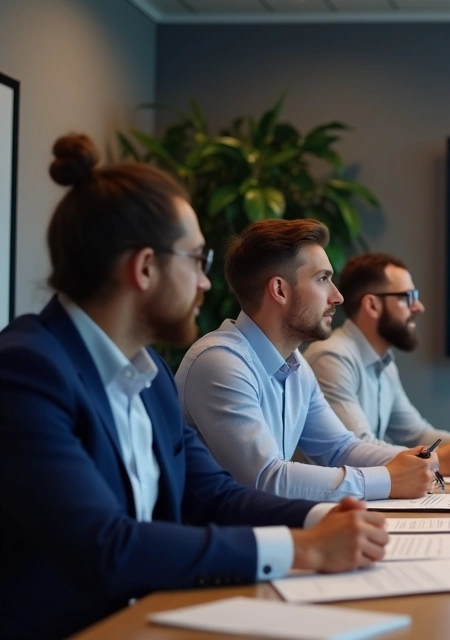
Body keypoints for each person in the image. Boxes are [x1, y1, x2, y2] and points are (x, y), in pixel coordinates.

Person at [0, 135, 390, 637]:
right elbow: (106, 546)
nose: (207, 284)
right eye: (196, 261)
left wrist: (324, 519)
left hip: (148, 618)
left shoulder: (151, 374)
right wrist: (303, 548)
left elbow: (213, 497)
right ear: (144, 268)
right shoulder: (27, 371)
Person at [176, 219, 450, 502]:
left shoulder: (295, 366)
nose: (338, 296)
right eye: (323, 279)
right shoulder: (220, 362)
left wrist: (417, 461)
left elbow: (340, 448)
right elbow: (266, 479)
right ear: (279, 290)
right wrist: (390, 479)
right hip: (221, 544)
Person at [305, 253, 450, 461]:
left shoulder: (384, 362)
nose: (419, 307)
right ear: (372, 305)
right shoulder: (332, 357)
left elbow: (418, 435)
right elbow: (356, 448)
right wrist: (436, 459)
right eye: (407, 297)